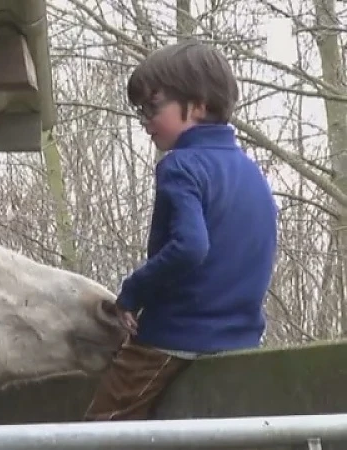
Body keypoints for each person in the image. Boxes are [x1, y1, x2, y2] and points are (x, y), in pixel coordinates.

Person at [84, 40, 278, 421]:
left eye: (152, 108)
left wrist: (132, 293)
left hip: (175, 335)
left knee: (99, 429)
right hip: (241, 338)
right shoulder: (251, 173)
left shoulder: (181, 166)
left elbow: (190, 247)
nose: (145, 122)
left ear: (199, 105)